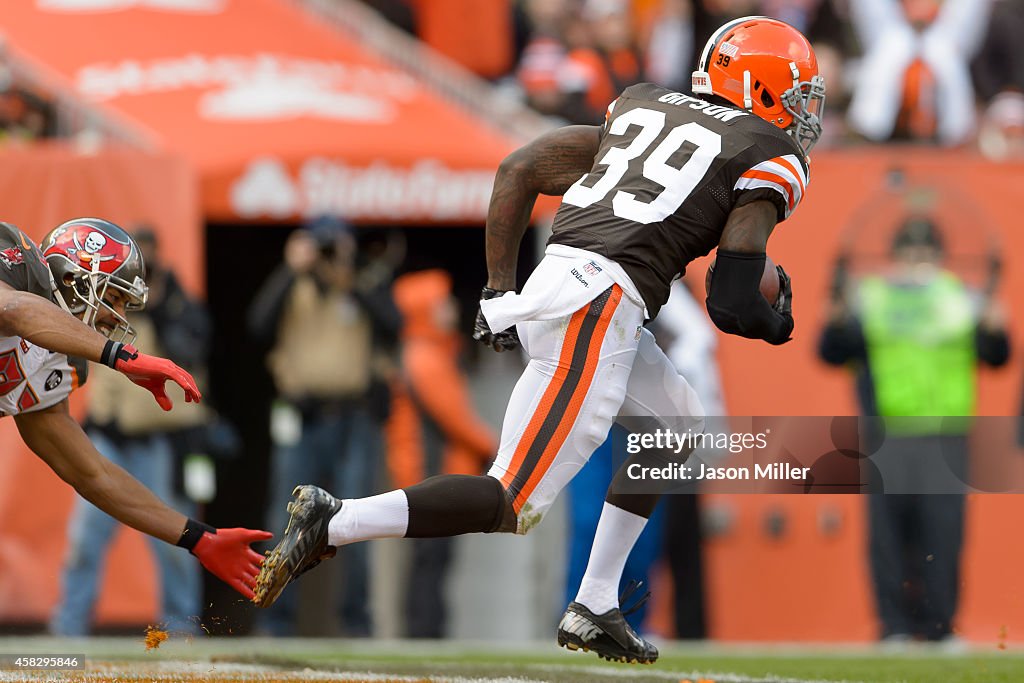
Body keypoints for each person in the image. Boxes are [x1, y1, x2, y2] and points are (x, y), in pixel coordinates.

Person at [255, 16, 823, 664]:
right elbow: (730, 302)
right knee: (513, 500)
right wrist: (778, 319)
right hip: (598, 303)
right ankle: (336, 519)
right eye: (800, 93)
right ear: (762, 88)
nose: (805, 112)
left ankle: (597, 603)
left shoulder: (641, 104)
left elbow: (520, 167)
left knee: (677, 419)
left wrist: (499, 290)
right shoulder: (768, 153)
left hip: (564, 280)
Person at [0, 217, 269, 601]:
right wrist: (122, 358)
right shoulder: (15, 258)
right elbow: (11, 309)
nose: (118, 317)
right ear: (76, 278)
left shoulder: (57, 363)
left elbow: (93, 474)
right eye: (114, 299)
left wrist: (196, 536)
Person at [818, 216, 1010, 643]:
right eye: (909, 252)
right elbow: (832, 351)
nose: (917, 262)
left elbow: (997, 356)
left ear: (940, 257)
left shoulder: (962, 299)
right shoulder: (873, 298)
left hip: (945, 434)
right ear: (895, 256)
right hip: (885, 434)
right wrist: (835, 319)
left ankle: (940, 629)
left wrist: (997, 329)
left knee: (943, 534)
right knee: (886, 537)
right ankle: (894, 629)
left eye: (925, 253)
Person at [50, 227, 213, 635]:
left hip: (159, 439)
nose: (121, 309)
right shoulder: (89, 304)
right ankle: (67, 632)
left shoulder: (178, 303)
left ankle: (182, 633)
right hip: (108, 434)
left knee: (172, 541)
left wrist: (159, 306)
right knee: (84, 541)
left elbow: (196, 346)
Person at [247, 216, 400, 636]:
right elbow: (257, 327)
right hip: (302, 417)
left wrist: (351, 275)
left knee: (360, 521)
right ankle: (275, 621)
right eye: (324, 248)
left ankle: (356, 625)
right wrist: (290, 269)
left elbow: (393, 325)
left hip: (354, 418)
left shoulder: (363, 283)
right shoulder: (294, 286)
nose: (330, 257)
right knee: (286, 519)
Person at [386, 269, 497, 638]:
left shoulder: (431, 351)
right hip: (428, 474)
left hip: (427, 473)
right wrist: (496, 449)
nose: (451, 308)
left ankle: (424, 631)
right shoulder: (425, 356)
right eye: (443, 302)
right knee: (429, 562)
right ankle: (423, 632)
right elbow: (457, 419)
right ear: (426, 309)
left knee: (429, 562)